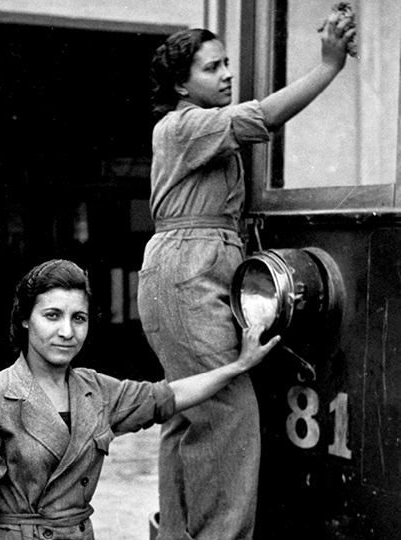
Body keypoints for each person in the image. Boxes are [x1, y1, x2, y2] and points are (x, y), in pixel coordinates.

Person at [137, 11, 356, 540]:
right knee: (230, 418)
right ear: (180, 85)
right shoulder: (183, 125)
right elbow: (261, 118)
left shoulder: (195, 130)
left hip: (184, 269)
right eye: (212, 69)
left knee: (186, 411)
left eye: (227, 63)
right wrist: (328, 66)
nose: (226, 74)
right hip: (189, 272)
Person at [0, 259, 279, 540]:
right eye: (52, 316)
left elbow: (168, 396)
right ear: (25, 319)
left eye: (79, 319)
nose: (67, 332)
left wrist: (238, 366)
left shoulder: (96, 391)